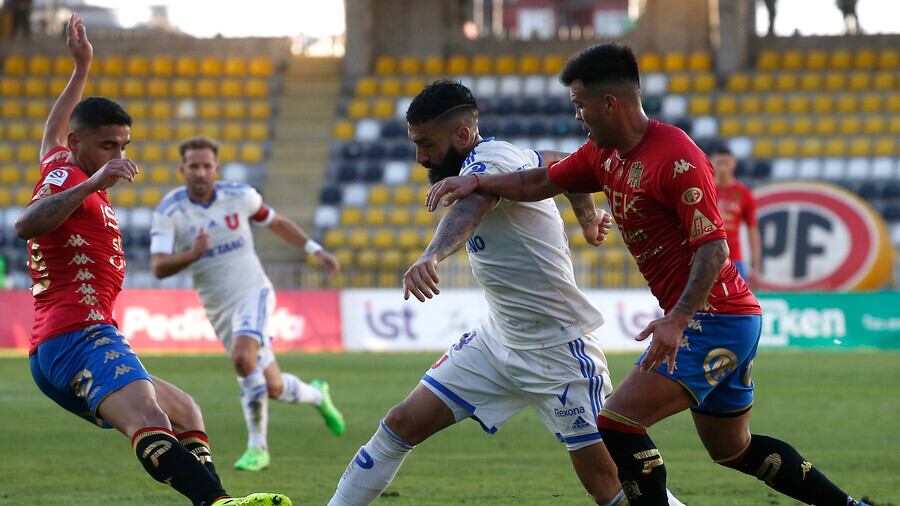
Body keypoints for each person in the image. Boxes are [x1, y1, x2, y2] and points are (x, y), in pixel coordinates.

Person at [426, 44, 872, 506]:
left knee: (617, 422)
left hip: (714, 319)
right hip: (723, 319)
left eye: (580, 104)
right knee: (733, 449)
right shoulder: (604, 155)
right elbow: (539, 181)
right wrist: (477, 181)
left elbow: (714, 247)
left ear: (609, 103)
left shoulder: (677, 157)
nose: (577, 116)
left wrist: (678, 320)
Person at [328, 80, 683, 506]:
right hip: (497, 341)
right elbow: (562, 165)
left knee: (609, 485)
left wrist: (432, 255)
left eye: (426, 144)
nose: (420, 157)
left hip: (557, 350)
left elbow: (473, 206)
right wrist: (587, 219)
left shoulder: (490, 162)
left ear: (462, 134)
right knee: (401, 423)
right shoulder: (509, 156)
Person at [14, 14, 291, 506]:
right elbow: (27, 223)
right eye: (108, 145)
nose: (118, 154)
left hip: (84, 332)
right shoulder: (68, 180)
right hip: (73, 334)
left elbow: (54, 132)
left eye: (123, 145)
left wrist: (82, 69)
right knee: (149, 416)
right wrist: (93, 183)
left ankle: (216, 499)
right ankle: (216, 503)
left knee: (185, 412)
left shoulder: (60, 160)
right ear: (80, 145)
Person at [150, 136, 345, 472]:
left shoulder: (240, 196)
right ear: (182, 169)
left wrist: (315, 250)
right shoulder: (170, 211)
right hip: (218, 308)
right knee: (273, 386)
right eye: (194, 166)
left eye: (206, 166)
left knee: (243, 359)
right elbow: (159, 266)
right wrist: (192, 254)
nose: (200, 172)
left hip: (253, 291)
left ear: (217, 168)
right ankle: (317, 394)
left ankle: (258, 449)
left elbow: (277, 223)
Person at [710, 146, 760, 283]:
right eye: (719, 163)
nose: (722, 168)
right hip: (706, 258)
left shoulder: (744, 193)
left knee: (739, 295)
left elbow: (752, 230)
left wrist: (756, 264)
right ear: (711, 163)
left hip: (734, 258)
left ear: (733, 163)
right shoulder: (704, 189)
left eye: (725, 163)